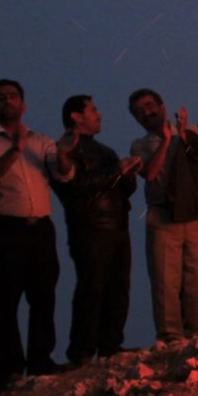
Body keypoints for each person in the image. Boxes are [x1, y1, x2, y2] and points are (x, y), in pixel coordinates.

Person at [0, 79, 76, 385]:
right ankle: (8, 368)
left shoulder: (40, 140)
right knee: (5, 299)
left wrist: (66, 152)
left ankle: (41, 361)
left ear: (23, 103)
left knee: (43, 295)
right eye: (1, 98)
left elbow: (63, 174)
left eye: (13, 96)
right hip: (6, 228)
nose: (8, 102)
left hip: (40, 227)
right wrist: (14, 149)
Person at [53, 96, 140, 365]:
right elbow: (72, 186)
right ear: (76, 116)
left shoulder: (104, 151)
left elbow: (125, 189)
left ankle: (111, 345)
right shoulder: (64, 151)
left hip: (117, 225)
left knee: (119, 288)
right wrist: (117, 172)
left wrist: (128, 174)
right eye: (93, 110)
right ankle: (81, 351)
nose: (99, 115)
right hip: (89, 228)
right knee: (92, 288)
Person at [129, 89, 198, 345]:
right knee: (165, 280)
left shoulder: (190, 131)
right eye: (139, 112)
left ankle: (196, 331)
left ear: (162, 106)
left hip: (194, 213)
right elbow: (150, 173)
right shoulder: (140, 145)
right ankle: (170, 337)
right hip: (162, 215)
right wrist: (167, 141)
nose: (147, 113)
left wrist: (183, 135)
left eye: (149, 106)